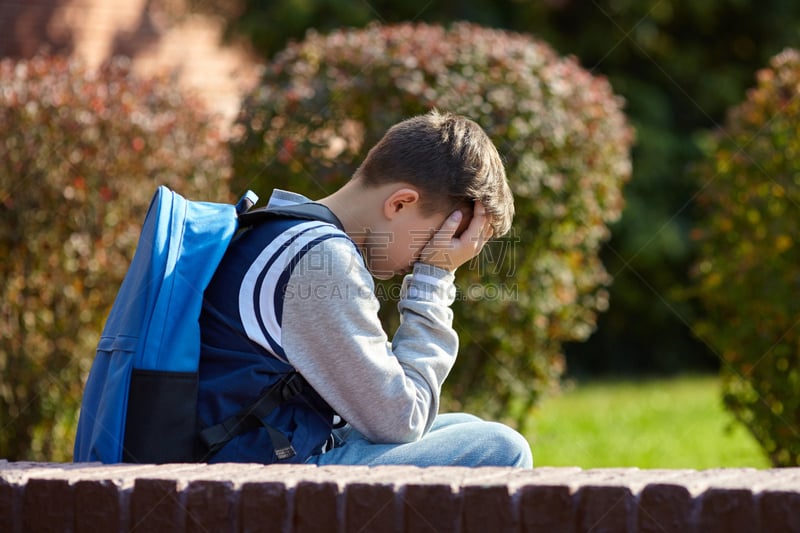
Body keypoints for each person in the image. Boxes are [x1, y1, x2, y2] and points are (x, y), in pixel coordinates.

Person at [198, 110, 533, 468]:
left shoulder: (288, 225)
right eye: (436, 241)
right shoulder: (322, 259)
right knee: (500, 449)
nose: (432, 257)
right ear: (400, 203)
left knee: (467, 428)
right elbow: (403, 421)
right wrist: (434, 277)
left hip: (259, 452)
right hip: (250, 479)